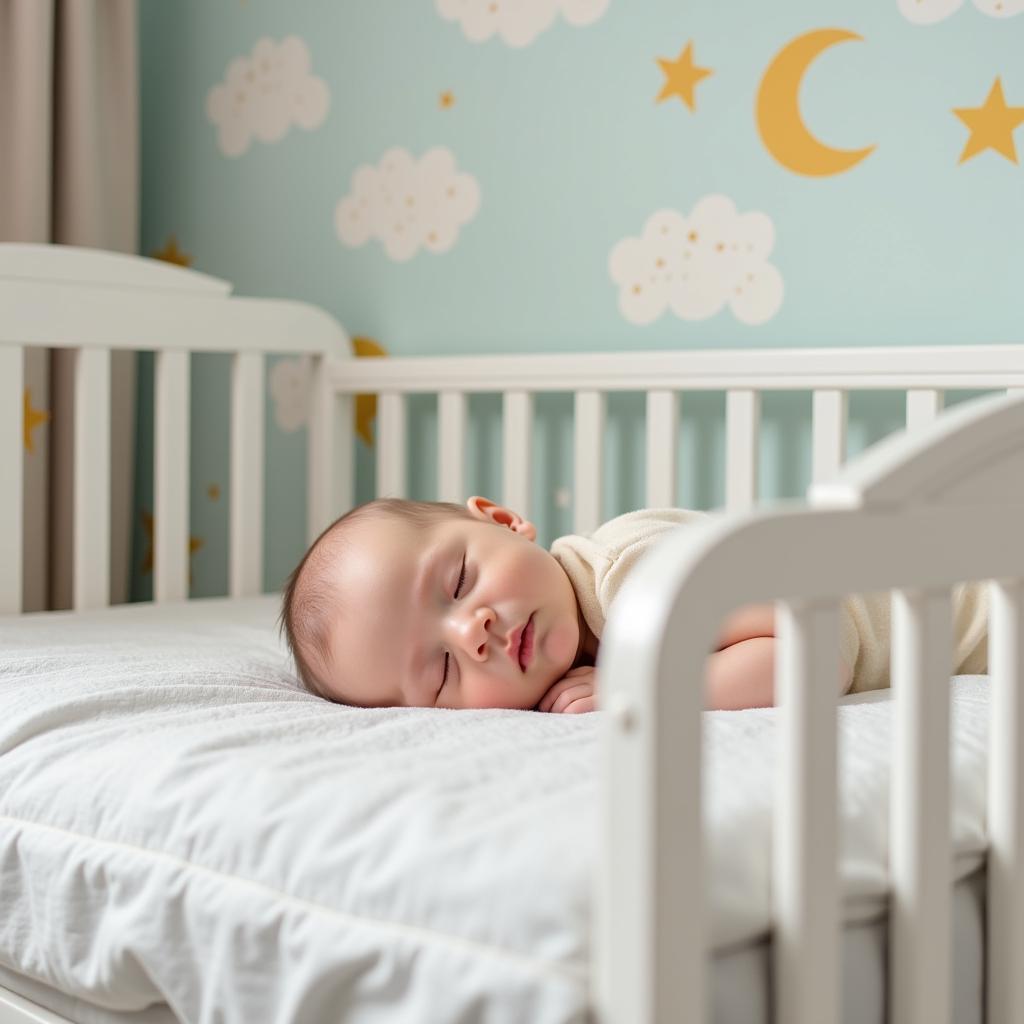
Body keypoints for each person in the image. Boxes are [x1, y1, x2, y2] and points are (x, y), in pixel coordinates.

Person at [279, 496, 989, 713]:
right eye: (439, 674)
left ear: (502, 520)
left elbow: (814, 654)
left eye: (459, 581)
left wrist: (635, 688)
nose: (474, 632)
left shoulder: (627, 571)